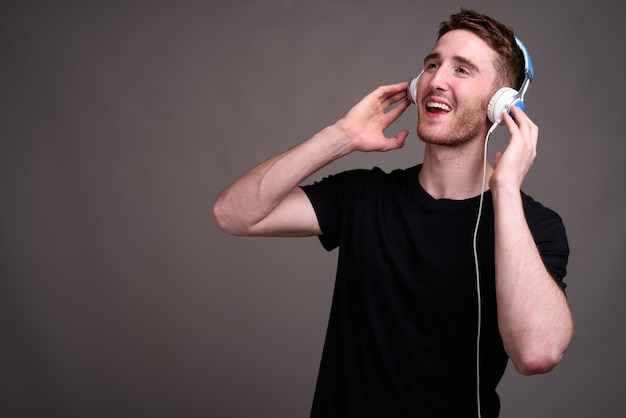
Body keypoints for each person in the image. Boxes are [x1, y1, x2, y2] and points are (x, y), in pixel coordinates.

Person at [212, 8, 573, 417]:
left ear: (502, 105)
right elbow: (233, 213)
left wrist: (505, 188)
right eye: (432, 65)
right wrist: (340, 138)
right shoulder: (364, 195)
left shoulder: (534, 226)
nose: (437, 80)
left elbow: (537, 353)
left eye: (462, 70)